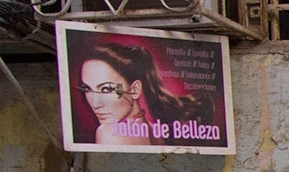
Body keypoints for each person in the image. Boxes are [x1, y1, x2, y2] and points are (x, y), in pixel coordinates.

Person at [73, 39, 211, 148]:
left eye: (106, 89)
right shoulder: (155, 131)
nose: (95, 104)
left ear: (134, 89)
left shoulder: (109, 132)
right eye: (87, 89)